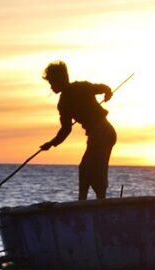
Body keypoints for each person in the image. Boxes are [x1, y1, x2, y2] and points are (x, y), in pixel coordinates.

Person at [40, 61, 117, 201]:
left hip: (102, 131)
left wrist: (108, 94)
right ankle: (85, 202)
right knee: (86, 169)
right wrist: (51, 143)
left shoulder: (81, 87)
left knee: (93, 169)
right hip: (97, 134)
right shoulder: (63, 104)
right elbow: (66, 129)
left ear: (60, 79)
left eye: (52, 83)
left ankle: (96, 202)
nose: (51, 87)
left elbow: (104, 88)